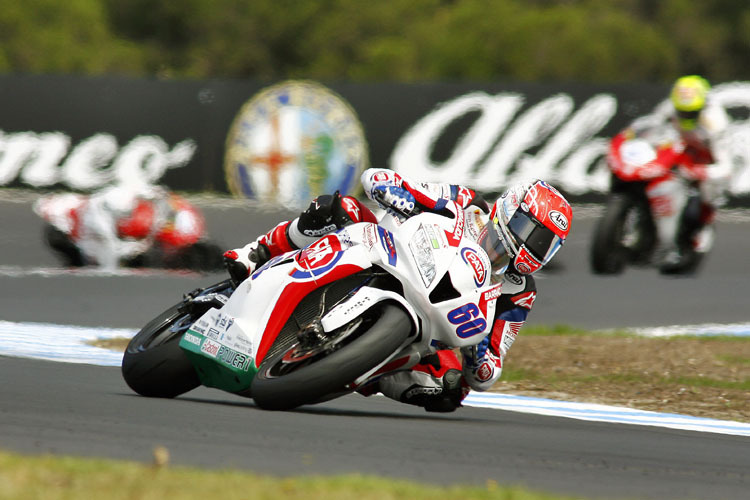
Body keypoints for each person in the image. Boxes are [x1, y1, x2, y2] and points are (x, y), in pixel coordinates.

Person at [224, 168, 573, 412]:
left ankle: (355, 369)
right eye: (531, 230)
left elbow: (489, 369)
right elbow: (380, 178)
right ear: (511, 207)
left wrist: (477, 350)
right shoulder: (464, 203)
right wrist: (397, 194)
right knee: (341, 208)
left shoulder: (519, 291)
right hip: (386, 251)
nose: (531, 246)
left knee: (450, 388)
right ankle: (257, 253)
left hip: (430, 327)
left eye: (545, 244)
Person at [608, 75, 730, 273]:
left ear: (703, 106)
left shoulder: (716, 124)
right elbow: (651, 126)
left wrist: (699, 171)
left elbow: (725, 167)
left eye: (690, 112)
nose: (684, 115)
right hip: (677, 153)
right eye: (681, 111)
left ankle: (695, 238)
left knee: (705, 197)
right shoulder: (670, 107)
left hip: (704, 160)